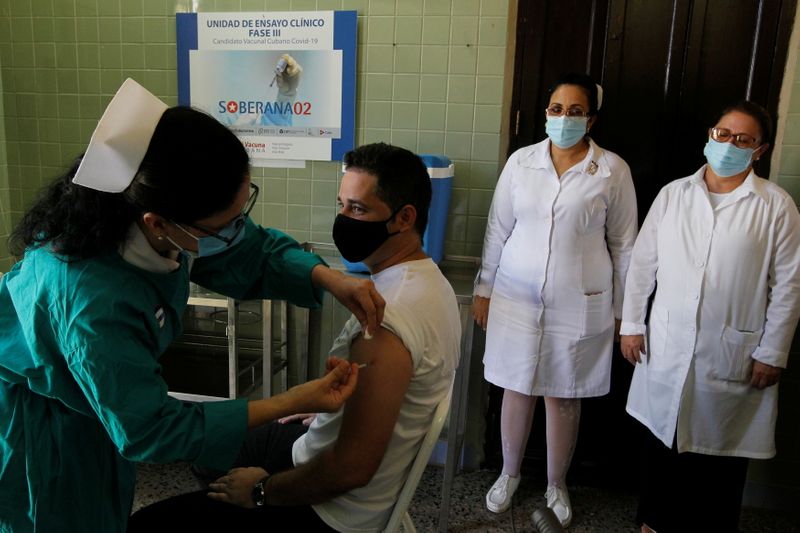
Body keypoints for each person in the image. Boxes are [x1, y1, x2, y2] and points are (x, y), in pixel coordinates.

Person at [0, 79, 385, 533]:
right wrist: (293, 399)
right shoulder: (90, 297)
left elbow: (248, 252)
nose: (234, 232)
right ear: (158, 223)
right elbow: (151, 428)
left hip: (95, 411)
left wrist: (328, 277)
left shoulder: (150, 220)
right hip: (48, 433)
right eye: (223, 224)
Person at [128, 142, 462, 532]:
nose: (343, 219)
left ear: (404, 218)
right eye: (341, 205)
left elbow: (350, 469)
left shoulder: (383, 323)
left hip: (331, 513)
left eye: (357, 209)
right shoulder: (433, 285)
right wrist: (333, 413)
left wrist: (261, 491)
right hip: (326, 453)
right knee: (213, 453)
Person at [619, 101, 800, 533]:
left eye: (743, 139)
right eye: (723, 134)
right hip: (664, 346)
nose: (729, 144)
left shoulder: (775, 206)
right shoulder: (674, 194)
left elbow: (789, 285)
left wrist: (772, 352)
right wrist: (631, 324)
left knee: (719, 457)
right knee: (662, 444)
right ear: (709, 135)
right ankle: (652, 525)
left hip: (734, 353)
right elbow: (643, 265)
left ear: (760, 150)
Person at [473, 72, 638, 526]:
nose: (564, 118)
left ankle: (555, 483)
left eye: (576, 111)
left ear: (592, 119)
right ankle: (508, 474)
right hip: (515, 295)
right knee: (516, 385)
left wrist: (626, 313)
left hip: (579, 299)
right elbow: (497, 229)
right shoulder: (521, 163)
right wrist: (483, 288)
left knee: (563, 393)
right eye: (557, 109)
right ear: (546, 114)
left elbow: (626, 245)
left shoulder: (612, 170)